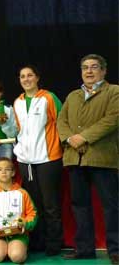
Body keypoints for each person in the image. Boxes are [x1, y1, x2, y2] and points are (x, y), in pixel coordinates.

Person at [57, 54, 118, 264]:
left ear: (103, 71)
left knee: (111, 206)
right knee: (79, 205)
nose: (89, 71)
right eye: (85, 68)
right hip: (75, 159)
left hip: (102, 158)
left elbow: (112, 119)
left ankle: (115, 250)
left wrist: (83, 137)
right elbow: (61, 120)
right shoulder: (73, 95)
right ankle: (84, 249)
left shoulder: (114, 92)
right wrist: (68, 138)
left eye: (94, 67)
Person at [13, 65, 63, 256]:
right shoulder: (17, 102)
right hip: (26, 161)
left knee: (50, 204)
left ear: (37, 78)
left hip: (48, 158)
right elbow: (19, 130)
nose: (26, 79)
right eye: (22, 76)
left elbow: (62, 121)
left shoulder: (48, 97)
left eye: (30, 75)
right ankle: (37, 241)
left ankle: (54, 243)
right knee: (33, 204)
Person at [0, 157, 37, 263]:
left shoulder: (22, 193)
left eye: (7, 169)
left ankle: (18, 248)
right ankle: (2, 248)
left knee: (17, 257)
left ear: (13, 172)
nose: (4, 172)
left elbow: (32, 213)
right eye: (0, 170)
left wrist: (25, 223)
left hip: (18, 234)